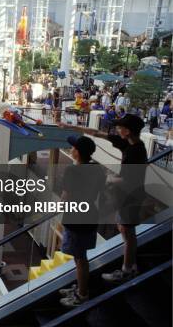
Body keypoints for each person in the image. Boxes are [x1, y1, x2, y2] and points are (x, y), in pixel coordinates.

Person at [59, 114, 147, 283]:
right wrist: (70, 127)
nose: (117, 129)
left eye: (120, 127)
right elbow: (96, 133)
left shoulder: (136, 151)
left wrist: (107, 179)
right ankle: (130, 265)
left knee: (126, 231)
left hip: (131, 196)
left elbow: (130, 179)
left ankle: (127, 269)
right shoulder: (128, 143)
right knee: (125, 230)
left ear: (127, 131)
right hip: (128, 195)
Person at [58, 136, 106, 307]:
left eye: (73, 148)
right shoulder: (98, 169)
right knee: (81, 256)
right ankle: (80, 287)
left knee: (80, 258)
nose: (71, 149)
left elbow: (66, 195)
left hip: (75, 217)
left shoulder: (72, 171)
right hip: (90, 215)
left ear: (77, 152)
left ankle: (82, 294)